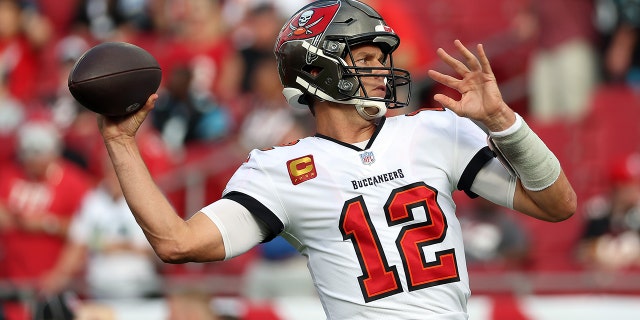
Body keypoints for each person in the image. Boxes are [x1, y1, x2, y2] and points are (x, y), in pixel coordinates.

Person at [95, 1, 576, 319]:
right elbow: (177, 243)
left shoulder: (435, 131)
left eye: (379, 59)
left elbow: (557, 204)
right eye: (364, 60)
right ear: (317, 70)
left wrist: (504, 122)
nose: (381, 70)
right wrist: (121, 143)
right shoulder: (280, 171)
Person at [577, 152, 640, 271]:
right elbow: (579, 252)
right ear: (619, 186)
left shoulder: (637, 214)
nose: (636, 191)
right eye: (632, 185)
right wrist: (601, 249)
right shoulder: (598, 212)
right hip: (601, 280)